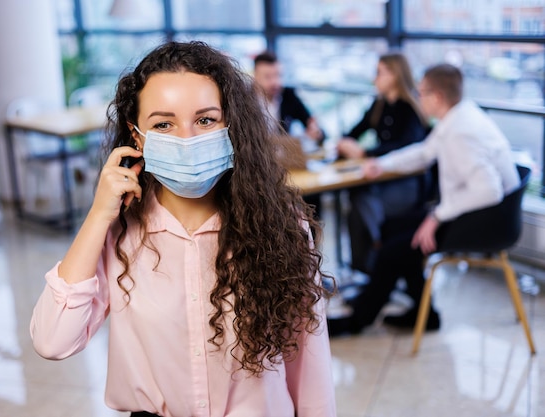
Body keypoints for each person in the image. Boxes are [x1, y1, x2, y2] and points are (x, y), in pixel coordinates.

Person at [30, 41, 337, 417]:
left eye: (205, 120)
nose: (187, 139)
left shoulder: (282, 224)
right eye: (164, 124)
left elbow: (310, 362)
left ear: (231, 125)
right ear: (137, 135)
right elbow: (53, 340)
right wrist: (97, 217)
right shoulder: (118, 232)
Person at [328, 63, 520, 335]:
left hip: (485, 221)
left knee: (392, 251)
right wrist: (381, 164)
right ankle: (424, 312)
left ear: (437, 97)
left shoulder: (461, 132)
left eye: (421, 93)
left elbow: (488, 191)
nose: (418, 98)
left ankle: (358, 320)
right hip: (476, 211)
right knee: (393, 228)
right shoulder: (458, 116)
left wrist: (436, 217)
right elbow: (424, 152)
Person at [336, 52, 430, 274]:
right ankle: (369, 263)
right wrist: (345, 144)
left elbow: (406, 147)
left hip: (407, 184)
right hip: (383, 179)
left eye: (379, 73)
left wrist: (364, 152)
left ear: (395, 75)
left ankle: (375, 258)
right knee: (357, 197)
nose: (373, 78)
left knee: (360, 201)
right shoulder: (379, 105)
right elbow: (354, 132)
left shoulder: (411, 109)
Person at [253, 50, 326, 221]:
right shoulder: (245, 99)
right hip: (258, 168)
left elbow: (318, 131)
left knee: (312, 198)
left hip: (287, 167)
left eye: (278, 75)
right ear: (255, 76)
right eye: (268, 76)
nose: (275, 82)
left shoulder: (288, 95)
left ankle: (310, 245)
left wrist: (316, 133)